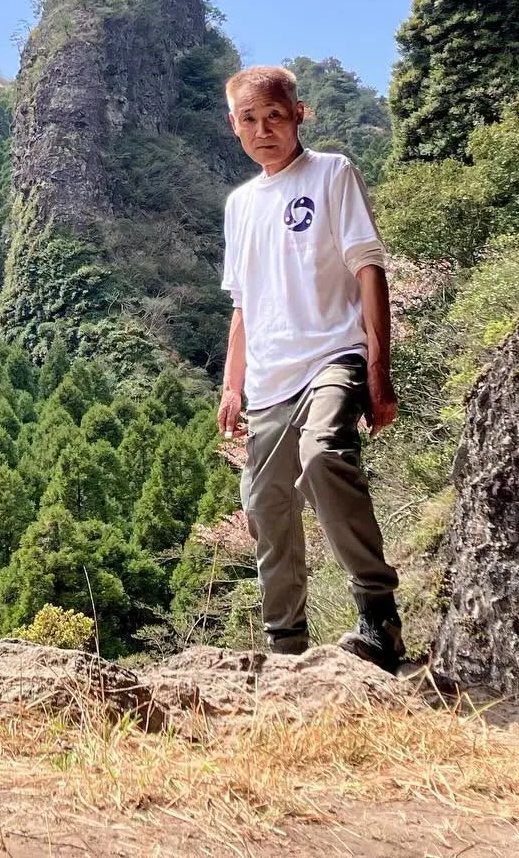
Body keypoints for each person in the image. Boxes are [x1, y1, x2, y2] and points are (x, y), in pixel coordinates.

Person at [217, 64, 404, 671]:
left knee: (324, 456)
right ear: (234, 126)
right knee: (265, 506)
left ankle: (378, 614)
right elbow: (243, 303)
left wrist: (379, 365)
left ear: (299, 114)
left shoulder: (332, 173)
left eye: (274, 115)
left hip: (333, 355)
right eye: (250, 119)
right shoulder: (240, 204)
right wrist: (231, 383)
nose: (263, 129)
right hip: (269, 379)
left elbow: (368, 269)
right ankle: (286, 647)